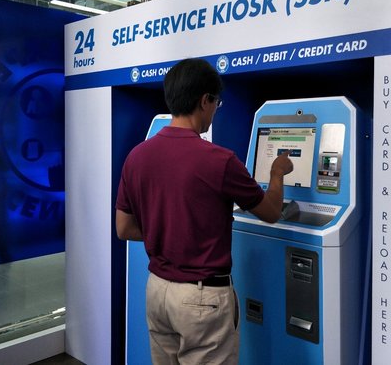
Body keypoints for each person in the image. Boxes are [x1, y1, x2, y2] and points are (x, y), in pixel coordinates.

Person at [115, 57, 293, 365]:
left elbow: (124, 228)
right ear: (204, 100)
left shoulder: (137, 156)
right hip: (202, 299)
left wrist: (168, 229)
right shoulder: (219, 160)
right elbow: (271, 211)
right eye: (216, 103)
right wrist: (277, 173)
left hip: (157, 291)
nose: (215, 110)